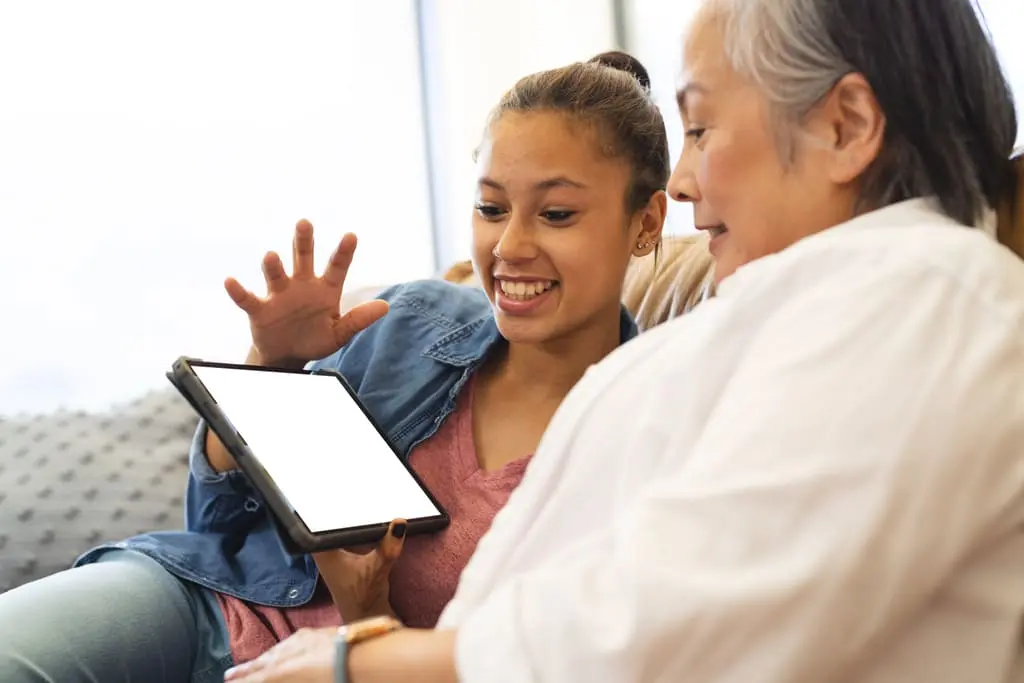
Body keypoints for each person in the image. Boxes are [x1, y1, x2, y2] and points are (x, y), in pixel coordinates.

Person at [221, 0, 1024, 681]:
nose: (681, 182)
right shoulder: (802, 309)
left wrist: (361, 660)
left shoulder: (927, 295)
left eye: (703, 126)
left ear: (845, 126)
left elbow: (693, 609)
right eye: (492, 206)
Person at [0, 52, 673, 682]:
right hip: (211, 598)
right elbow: (218, 523)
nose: (510, 246)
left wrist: (365, 609)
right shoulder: (411, 320)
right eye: (491, 207)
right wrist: (273, 367)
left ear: (646, 224)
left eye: (556, 213)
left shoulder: (651, 439)